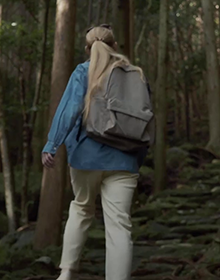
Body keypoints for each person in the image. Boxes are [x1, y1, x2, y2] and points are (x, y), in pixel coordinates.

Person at [42, 24, 147, 280]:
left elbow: (69, 110)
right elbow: (144, 119)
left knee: (81, 209)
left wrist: (52, 145)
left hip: (86, 158)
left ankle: (66, 272)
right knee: (119, 225)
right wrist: (137, 159)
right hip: (125, 159)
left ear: (88, 49)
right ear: (115, 46)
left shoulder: (83, 71)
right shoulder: (135, 73)